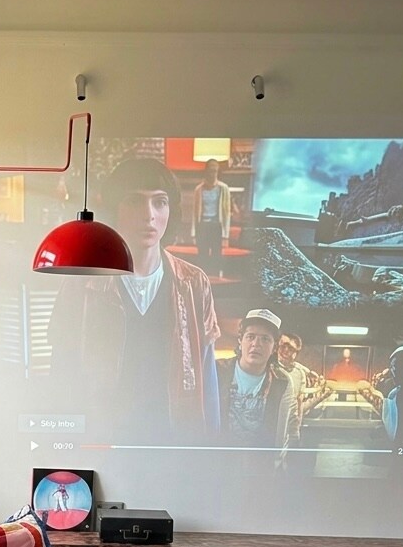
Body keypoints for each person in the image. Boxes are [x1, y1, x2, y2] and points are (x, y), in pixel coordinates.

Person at [48, 154, 220, 444]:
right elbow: (61, 374)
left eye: (160, 202)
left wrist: (210, 449)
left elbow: (207, 377)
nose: (148, 214)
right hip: (101, 441)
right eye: (134, 201)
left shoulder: (193, 283)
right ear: (114, 208)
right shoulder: (82, 283)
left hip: (174, 442)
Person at [216, 309, 296, 451]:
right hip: (219, 458)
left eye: (265, 339)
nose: (256, 344)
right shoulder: (218, 370)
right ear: (240, 341)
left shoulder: (282, 382)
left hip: (258, 460)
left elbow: (279, 434)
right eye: (250, 337)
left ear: (274, 347)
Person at [190, 158, 231, 271]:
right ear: (206, 171)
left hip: (216, 226)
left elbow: (226, 213)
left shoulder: (223, 188)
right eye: (210, 171)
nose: (213, 174)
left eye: (215, 171)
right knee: (202, 255)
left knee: (216, 255)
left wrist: (226, 235)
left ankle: (215, 277)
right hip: (202, 226)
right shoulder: (199, 189)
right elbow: (194, 212)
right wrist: (193, 232)